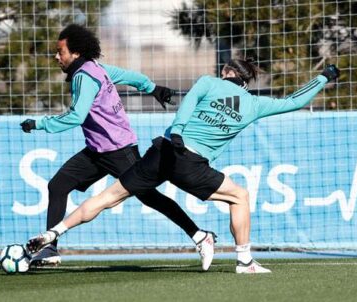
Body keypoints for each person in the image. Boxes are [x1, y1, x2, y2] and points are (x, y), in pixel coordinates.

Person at [27, 58, 341, 274]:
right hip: (190, 164)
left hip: (162, 151)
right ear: (245, 82)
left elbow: (188, 105)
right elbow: (295, 101)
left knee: (108, 197)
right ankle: (245, 261)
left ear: (225, 71)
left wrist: (176, 130)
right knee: (240, 196)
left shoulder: (207, 81)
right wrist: (323, 77)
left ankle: (54, 232)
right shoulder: (256, 104)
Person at [20, 24, 216, 270]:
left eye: (61, 51)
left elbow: (75, 116)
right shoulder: (96, 67)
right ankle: (49, 249)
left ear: (76, 53)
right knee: (58, 185)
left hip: (118, 150)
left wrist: (38, 123)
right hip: (96, 151)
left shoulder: (85, 76)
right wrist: (152, 88)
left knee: (149, 197)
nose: (56, 56)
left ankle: (200, 236)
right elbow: (131, 76)